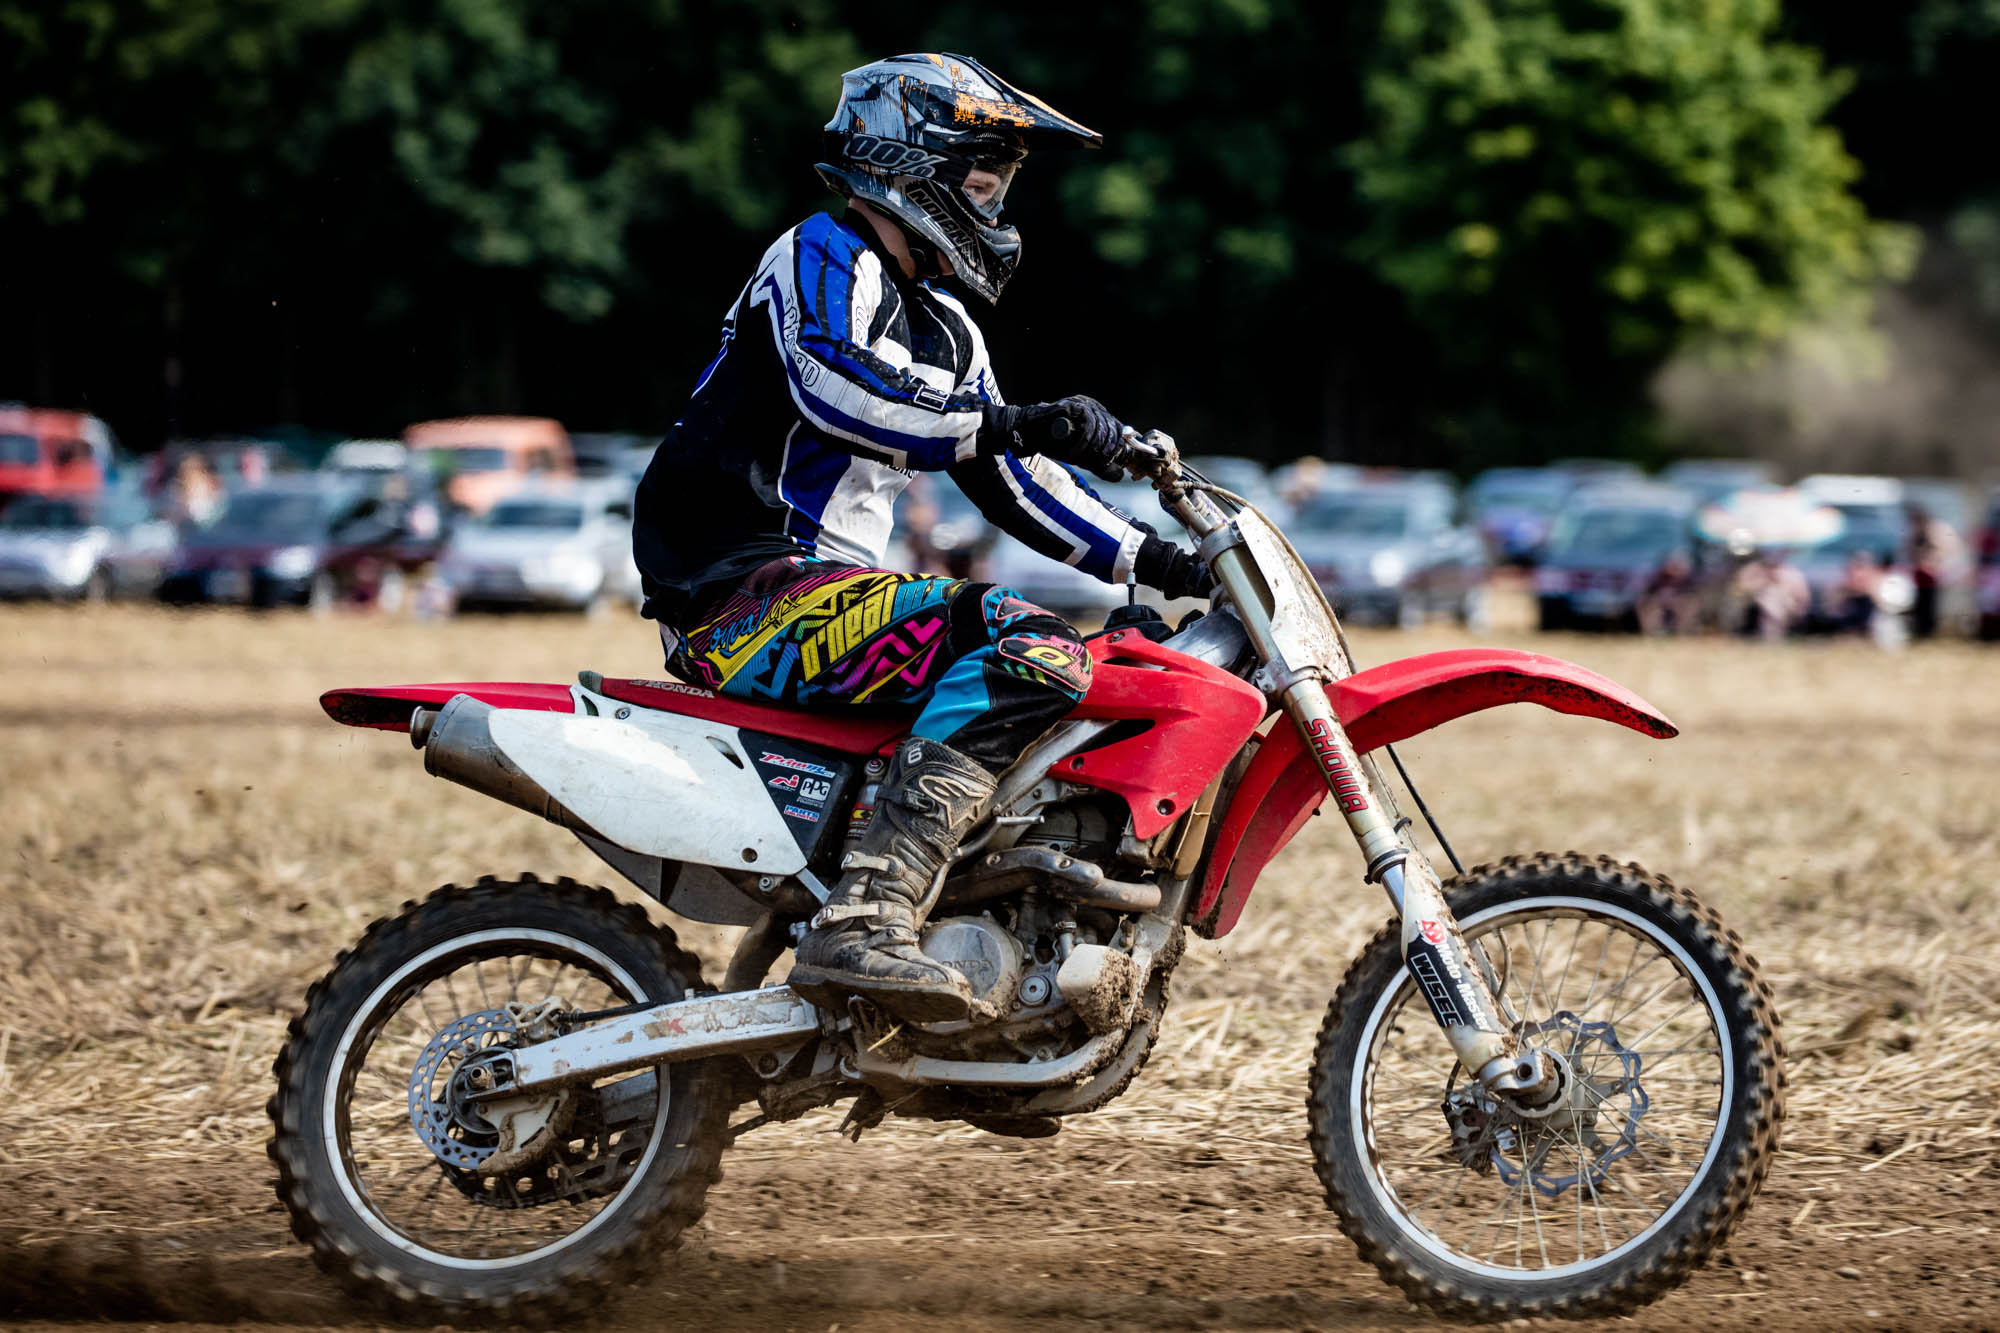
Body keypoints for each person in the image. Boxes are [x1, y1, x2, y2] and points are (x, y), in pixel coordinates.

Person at [630, 53, 1207, 1024]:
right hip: (741, 594)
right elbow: (843, 386)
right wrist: (1021, 420)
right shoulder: (820, 252)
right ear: (912, 161)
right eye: (982, 178)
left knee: (1085, 666)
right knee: (1030, 645)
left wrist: (1167, 561)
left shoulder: (947, 327)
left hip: (824, 598)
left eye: (1002, 184)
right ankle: (866, 916)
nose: (996, 203)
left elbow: (1014, 481)